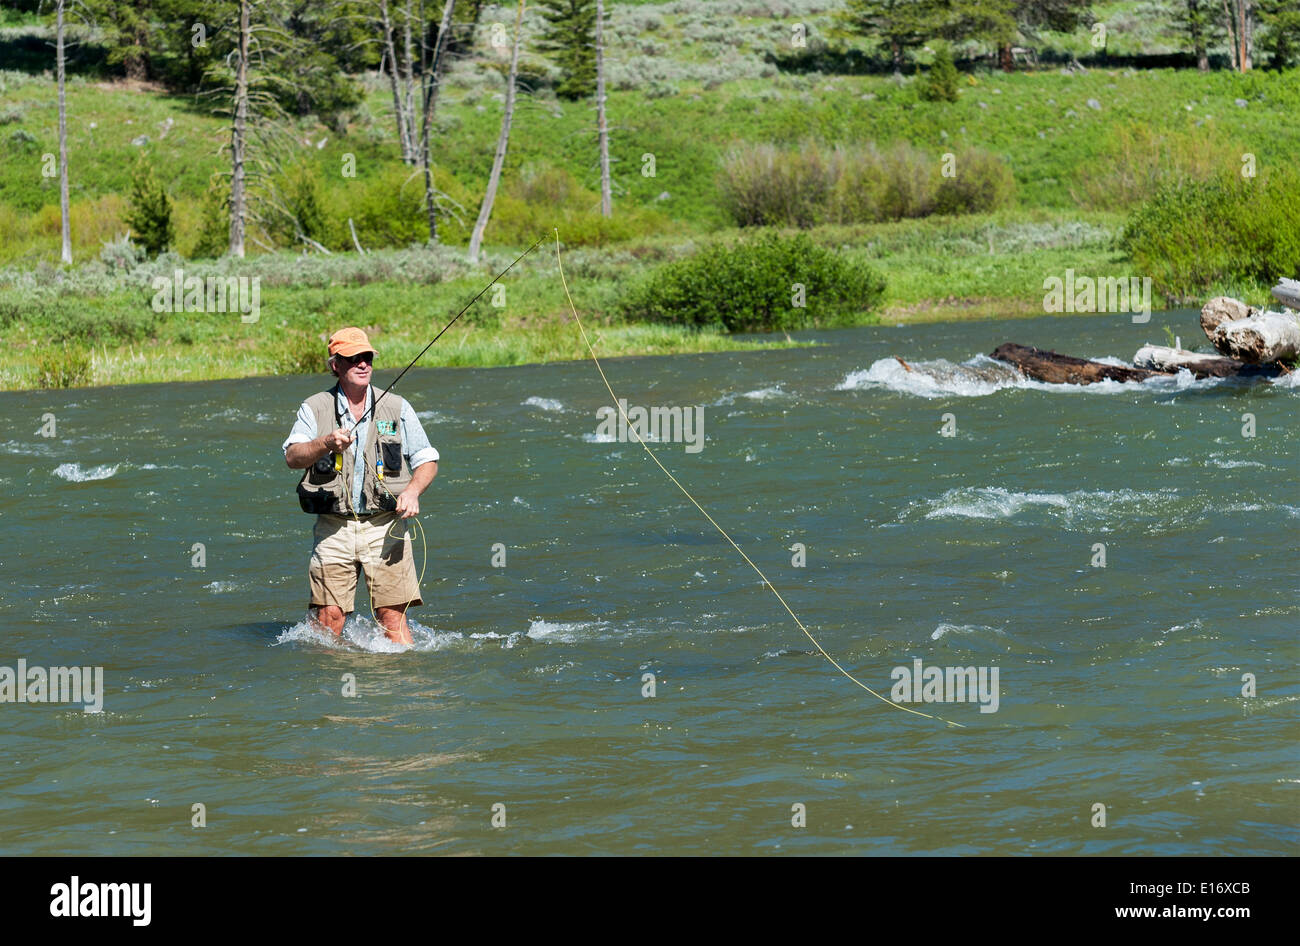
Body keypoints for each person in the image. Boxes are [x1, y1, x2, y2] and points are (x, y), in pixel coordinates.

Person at [282, 327, 439, 645]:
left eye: (366, 357)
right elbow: (293, 456)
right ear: (335, 365)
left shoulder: (397, 407)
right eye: (353, 358)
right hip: (333, 530)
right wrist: (325, 442)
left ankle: (401, 688)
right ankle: (328, 689)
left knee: (392, 620)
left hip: (386, 528)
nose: (362, 364)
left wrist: (412, 492)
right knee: (328, 622)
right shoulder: (315, 407)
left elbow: (428, 460)